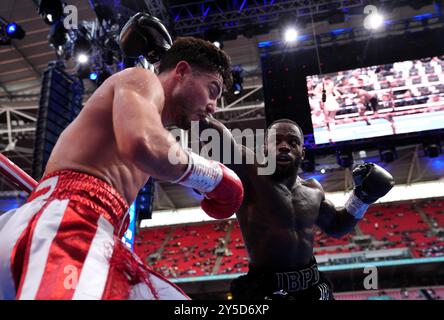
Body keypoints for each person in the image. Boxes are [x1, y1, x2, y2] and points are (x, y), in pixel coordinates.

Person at [0, 13, 244, 300]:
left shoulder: (150, 122)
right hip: (69, 224)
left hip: (86, 228)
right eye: (212, 90)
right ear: (181, 71)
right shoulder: (141, 80)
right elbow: (143, 144)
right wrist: (214, 177)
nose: (213, 106)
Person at [199, 117, 394, 300]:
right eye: (277, 141)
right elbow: (219, 137)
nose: (284, 146)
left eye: (293, 142)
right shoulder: (250, 172)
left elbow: (336, 226)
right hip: (265, 288)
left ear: (302, 151)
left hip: (312, 285)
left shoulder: (313, 189)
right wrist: (199, 112)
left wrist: (363, 198)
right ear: (265, 149)